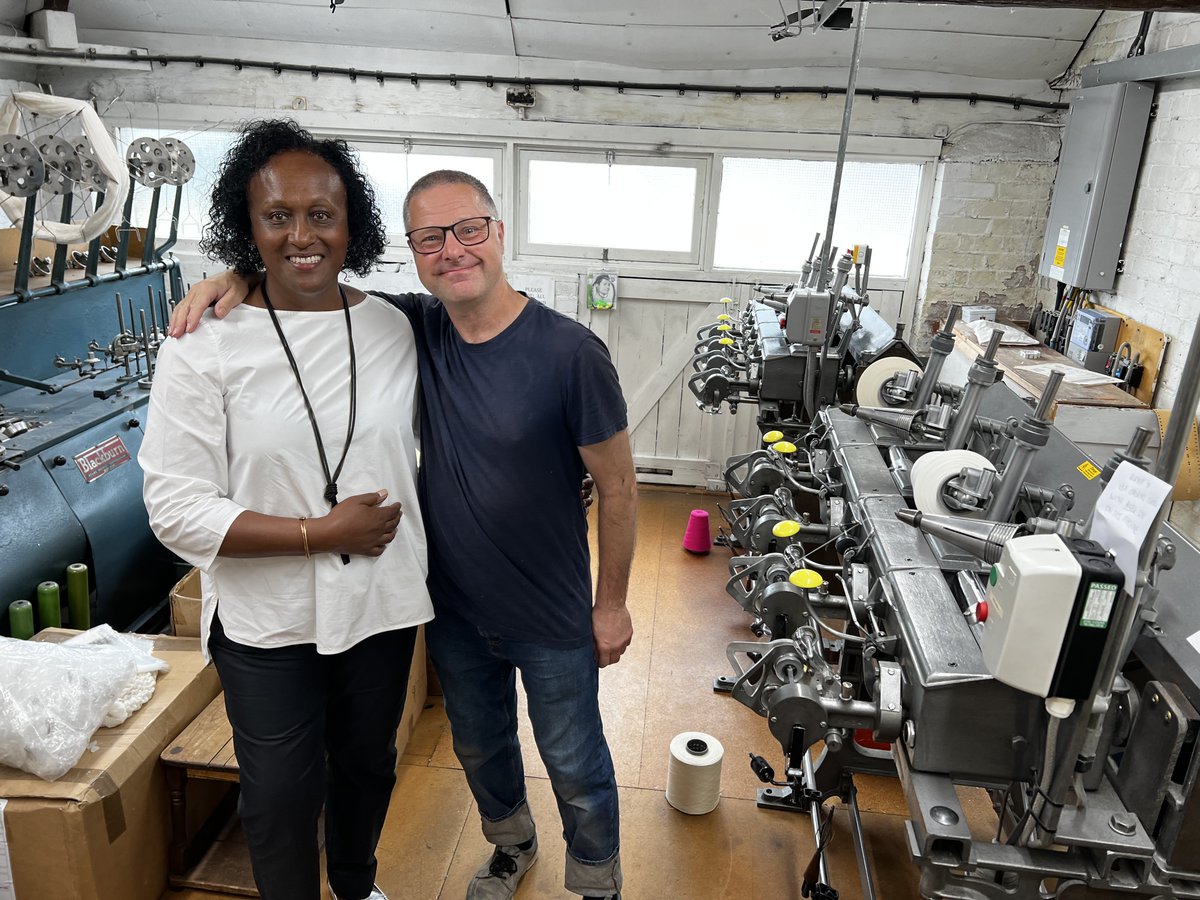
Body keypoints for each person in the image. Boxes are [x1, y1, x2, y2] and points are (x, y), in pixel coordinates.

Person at [172, 169, 638, 900]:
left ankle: (596, 883)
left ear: (499, 232)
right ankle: (512, 847)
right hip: (449, 608)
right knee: (482, 748)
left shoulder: (571, 353)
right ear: (412, 253)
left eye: (468, 230)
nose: (452, 250)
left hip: (552, 613)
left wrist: (610, 605)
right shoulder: (415, 326)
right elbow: (306, 286)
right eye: (430, 238)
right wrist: (232, 273)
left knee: (575, 763)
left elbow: (618, 487)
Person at [141, 119, 433, 900]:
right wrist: (318, 534)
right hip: (267, 620)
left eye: (321, 215)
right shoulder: (204, 342)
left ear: (352, 225)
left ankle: (356, 883)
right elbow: (174, 508)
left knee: (368, 766)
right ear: (249, 228)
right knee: (278, 795)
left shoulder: (395, 328)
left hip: (379, 604)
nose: (302, 235)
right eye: (277, 217)